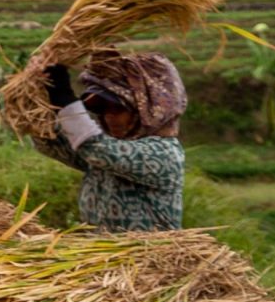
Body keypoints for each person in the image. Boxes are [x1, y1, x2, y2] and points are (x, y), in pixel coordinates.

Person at [31, 53, 188, 232]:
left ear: (145, 111)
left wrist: (62, 95)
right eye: (103, 109)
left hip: (147, 249)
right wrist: (37, 94)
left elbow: (96, 148)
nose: (109, 117)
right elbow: (52, 143)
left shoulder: (165, 153)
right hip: (101, 248)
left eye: (118, 109)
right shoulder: (101, 151)